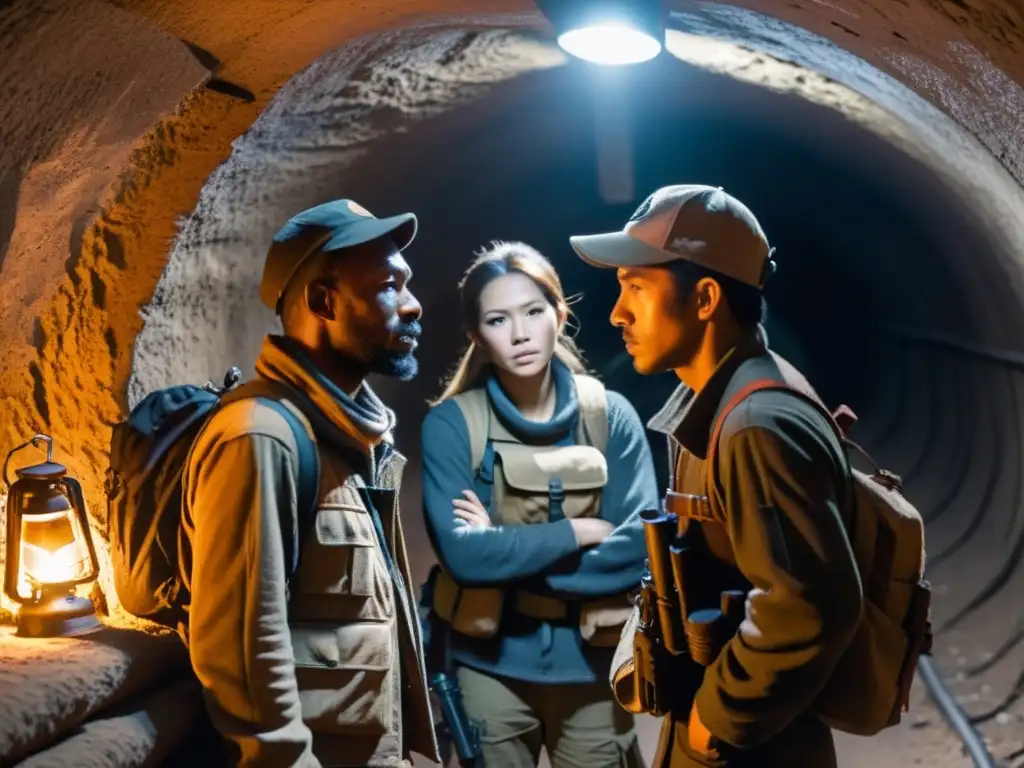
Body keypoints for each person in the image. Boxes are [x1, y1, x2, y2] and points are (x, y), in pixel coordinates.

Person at [569, 185, 864, 767]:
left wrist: (715, 717)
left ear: (705, 298)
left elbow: (808, 607)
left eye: (636, 288)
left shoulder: (755, 424)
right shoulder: (721, 397)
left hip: (752, 744)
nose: (616, 312)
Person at [180, 199, 440, 768]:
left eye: (408, 283)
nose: (413, 304)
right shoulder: (260, 439)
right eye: (389, 286)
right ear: (323, 301)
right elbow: (243, 666)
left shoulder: (347, 439)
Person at [419, 241, 658, 768]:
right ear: (476, 336)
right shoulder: (452, 426)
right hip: (489, 670)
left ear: (559, 313)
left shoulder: (609, 417)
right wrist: (578, 533)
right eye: (498, 319)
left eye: (533, 311)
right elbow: (464, 559)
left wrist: (503, 555)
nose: (520, 333)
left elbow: (640, 550)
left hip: (594, 670)